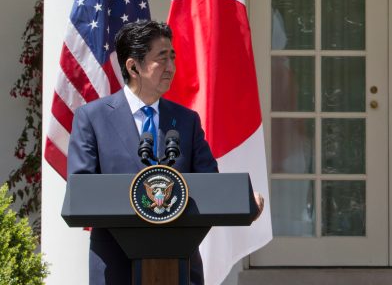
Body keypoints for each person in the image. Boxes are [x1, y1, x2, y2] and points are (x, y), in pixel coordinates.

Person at [67, 20, 263, 285]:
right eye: (162, 58)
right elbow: (83, 191)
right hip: (115, 266)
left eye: (173, 57)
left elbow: (210, 184)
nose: (171, 67)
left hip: (179, 267)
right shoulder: (92, 118)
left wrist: (243, 200)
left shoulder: (186, 120)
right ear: (133, 66)